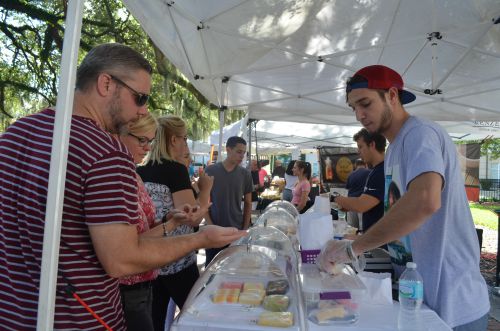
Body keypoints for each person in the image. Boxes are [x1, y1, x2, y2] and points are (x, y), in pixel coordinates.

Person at [0, 43, 246, 330]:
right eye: (139, 98)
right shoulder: (105, 151)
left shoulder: (14, 134)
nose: (142, 111)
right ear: (106, 83)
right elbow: (122, 260)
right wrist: (201, 238)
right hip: (81, 320)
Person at [318, 64, 489, 330]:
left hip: (452, 302)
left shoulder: (420, 134)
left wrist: (355, 248)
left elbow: (425, 201)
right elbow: (402, 217)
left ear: (393, 96)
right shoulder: (396, 147)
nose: (360, 115)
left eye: (365, 104)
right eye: (354, 108)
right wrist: (358, 241)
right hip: (418, 296)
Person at [136, 115, 208, 331]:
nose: (185, 144)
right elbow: (194, 217)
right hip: (178, 259)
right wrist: (206, 189)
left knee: (155, 320)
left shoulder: (139, 170)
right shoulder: (175, 170)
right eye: (184, 138)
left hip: (150, 260)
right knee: (196, 318)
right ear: (174, 140)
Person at [204, 136, 253, 266]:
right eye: (239, 151)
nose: (242, 155)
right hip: (214, 229)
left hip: (235, 230)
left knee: (234, 268)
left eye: (244, 152)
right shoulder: (211, 170)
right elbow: (202, 201)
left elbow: (248, 203)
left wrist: (245, 228)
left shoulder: (245, 174)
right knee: (211, 269)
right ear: (228, 149)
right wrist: (210, 225)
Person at [334, 129, 386, 232]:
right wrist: (346, 205)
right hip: (374, 235)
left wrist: (335, 198)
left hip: (379, 240)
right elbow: (371, 203)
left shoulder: (381, 172)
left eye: (360, 147)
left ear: (372, 145)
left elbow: (361, 205)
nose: (358, 151)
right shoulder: (376, 170)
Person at [344, 159, 370, 228]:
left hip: (351, 203)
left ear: (355, 165)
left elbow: (347, 189)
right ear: (365, 164)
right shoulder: (369, 173)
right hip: (362, 203)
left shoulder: (351, 175)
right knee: (362, 227)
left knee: (352, 227)